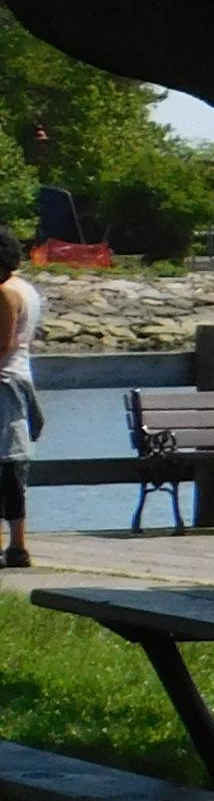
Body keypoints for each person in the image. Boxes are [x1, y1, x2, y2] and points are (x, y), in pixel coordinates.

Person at [0, 227, 36, 570]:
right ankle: (16, 544)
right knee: (13, 465)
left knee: (8, 465)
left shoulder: (6, 294)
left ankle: (17, 545)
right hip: (20, 380)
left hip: (4, 384)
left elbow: (4, 343)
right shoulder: (25, 288)